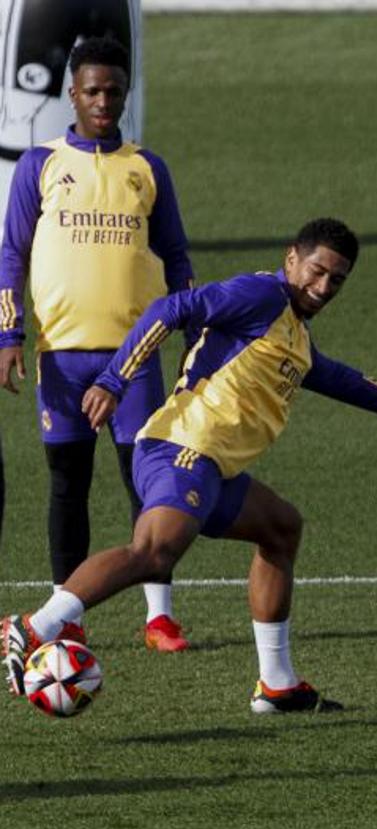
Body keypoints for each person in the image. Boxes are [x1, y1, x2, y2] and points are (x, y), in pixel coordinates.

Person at [3, 218, 377, 712]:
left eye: (337, 280)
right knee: (154, 552)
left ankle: (277, 686)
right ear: (292, 259)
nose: (324, 286)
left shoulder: (296, 339)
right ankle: (30, 627)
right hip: (182, 447)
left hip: (210, 466)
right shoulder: (262, 296)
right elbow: (172, 307)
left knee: (281, 529)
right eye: (317, 270)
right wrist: (116, 380)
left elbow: (347, 382)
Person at [0, 36, 195, 651]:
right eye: (92, 91)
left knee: (146, 485)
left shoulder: (147, 168)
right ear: (71, 95)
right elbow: (12, 254)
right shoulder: (41, 164)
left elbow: (177, 255)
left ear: (124, 93)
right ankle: (67, 616)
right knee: (67, 483)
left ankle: (159, 615)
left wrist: (195, 334)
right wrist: (9, 333)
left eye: (113, 90)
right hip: (63, 357)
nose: (103, 101)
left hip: (134, 358)